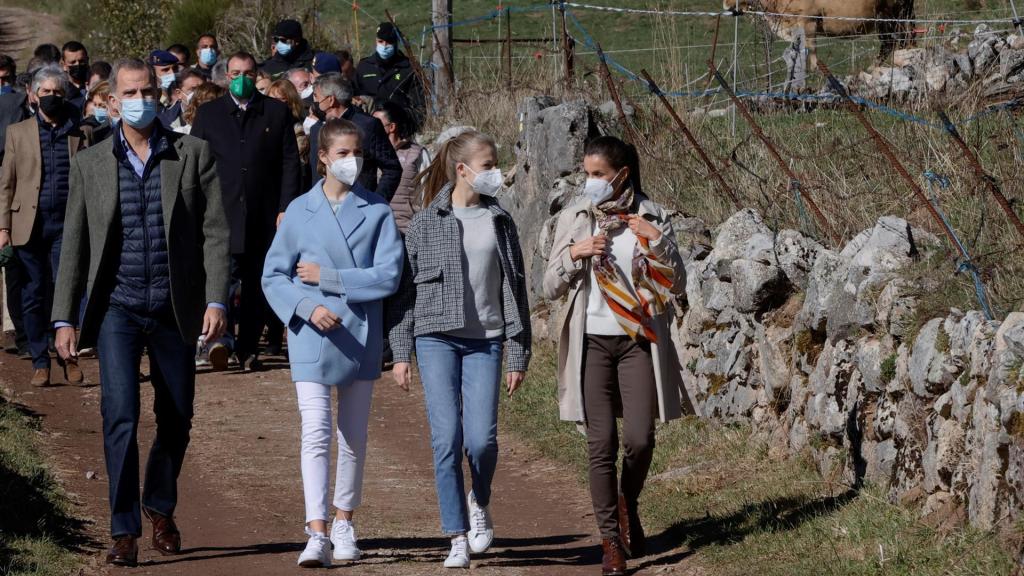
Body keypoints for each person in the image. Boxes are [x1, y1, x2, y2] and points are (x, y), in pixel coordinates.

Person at [51, 57, 230, 567]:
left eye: (148, 90)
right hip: (117, 308)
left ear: (160, 94)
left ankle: (160, 502)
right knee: (120, 416)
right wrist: (64, 316)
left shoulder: (192, 154)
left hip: (175, 307)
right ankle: (124, 528)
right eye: (130, 92)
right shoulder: (89, 164)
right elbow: (75, 245)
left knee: (177, 417)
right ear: (111, 101)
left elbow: (215, 232)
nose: (141, 100)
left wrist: (217, 298)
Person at [541, 136, 695, 576]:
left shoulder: (651, 215)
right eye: (586, 174)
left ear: (622, 176)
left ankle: (627, 501)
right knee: (600, 443)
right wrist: (576, 253)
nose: (589, 183)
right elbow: (548, 285)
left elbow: (677, 284)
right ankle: (611, 541)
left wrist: (658, 242)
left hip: (638, 342)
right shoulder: (575, 217)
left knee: (640, 439)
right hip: (591, 343)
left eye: (597, 175)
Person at [262, 118, 403, 568]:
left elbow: (389, 275)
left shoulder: (378, 210)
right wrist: (305, 307)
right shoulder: (299, 211)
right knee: (316, 433)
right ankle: (316, 529)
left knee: (353, 436)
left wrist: (332, 279)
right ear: (322, 156)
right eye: (343, 153)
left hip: (361, 334)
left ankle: (345, 520)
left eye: (358, 152)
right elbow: (273, 275)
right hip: (311, 336)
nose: (353, 161)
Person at [389, 130, 531, 569]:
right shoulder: (427, 223)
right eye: (488, 165)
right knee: (446, 438)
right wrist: (400, 351)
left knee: (482, 441)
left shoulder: (500, 221)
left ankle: (479, 499)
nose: (496, 172)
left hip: (486, 341)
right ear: (462, 170)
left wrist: (518, 352)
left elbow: (516, 289)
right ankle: (455, 534)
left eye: (495, 163)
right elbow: (404, 292)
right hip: (435, 337)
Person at [190, 51, 301, 371]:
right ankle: (216, 340)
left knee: (256, 283)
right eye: (236, 73)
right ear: (226, 77)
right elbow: (194, 163)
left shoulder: (276, 112)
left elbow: (289, 162)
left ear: (257, 75)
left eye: (249, 73)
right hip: (219, 214)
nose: (242, 79)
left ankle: (249, 348)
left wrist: (285, 208)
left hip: (262, 214)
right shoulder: (210, 114)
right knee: (219, 280)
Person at [0, 65, 88, 387]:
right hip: (29, 225)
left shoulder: (79, 132)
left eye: (57, 92)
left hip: (67, 223)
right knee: (34, 294)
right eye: (45, 92)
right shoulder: (18, 132)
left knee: (66, 291)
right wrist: (3, 228)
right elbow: (6, 184)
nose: (51, 97)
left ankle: (70, 357)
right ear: (34, 96)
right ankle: (40, 360)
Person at [309, 73, 400, 201]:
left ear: (330, 100)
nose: (315, 102)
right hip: (322, 206)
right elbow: (314, 172)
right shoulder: (316, 130)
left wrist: (377, 201)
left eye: (317, 97)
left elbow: (392, 168)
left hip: (360, 204)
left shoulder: (367, 125)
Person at [0, 53, 29, 358]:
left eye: (7, 80)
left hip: (10, 188)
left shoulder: (20, 108)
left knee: (9, 258)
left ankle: (12, 327)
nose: (3, 86)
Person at [373, 101, 429, 234]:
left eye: (376, 123)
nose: (371, 127)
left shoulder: (417, 153)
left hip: (407, 229)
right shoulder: (369, 153)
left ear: (391, 127)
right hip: (377, 229)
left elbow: (427, 192)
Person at [353, 22, 425, 122]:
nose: (385, 46)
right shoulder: (364, 66)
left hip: (397, 125)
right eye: (381, 41)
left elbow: (419, 107)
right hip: (368, 125)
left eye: (389, 42)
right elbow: (354, 97)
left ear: (396, 43)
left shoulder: (409, 69)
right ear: (376, 41)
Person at [267, 79, 310, 188]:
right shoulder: (260, 125)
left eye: (281, 100)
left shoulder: (298, 129)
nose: (275, 104)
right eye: (271, 99)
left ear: (291, 103)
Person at [61, 41, 90, 111]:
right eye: (73, 62)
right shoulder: (60, 91)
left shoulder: (96, 84)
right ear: (63, 65)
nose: (78, 64)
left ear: (87, 60)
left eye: (81, 61)